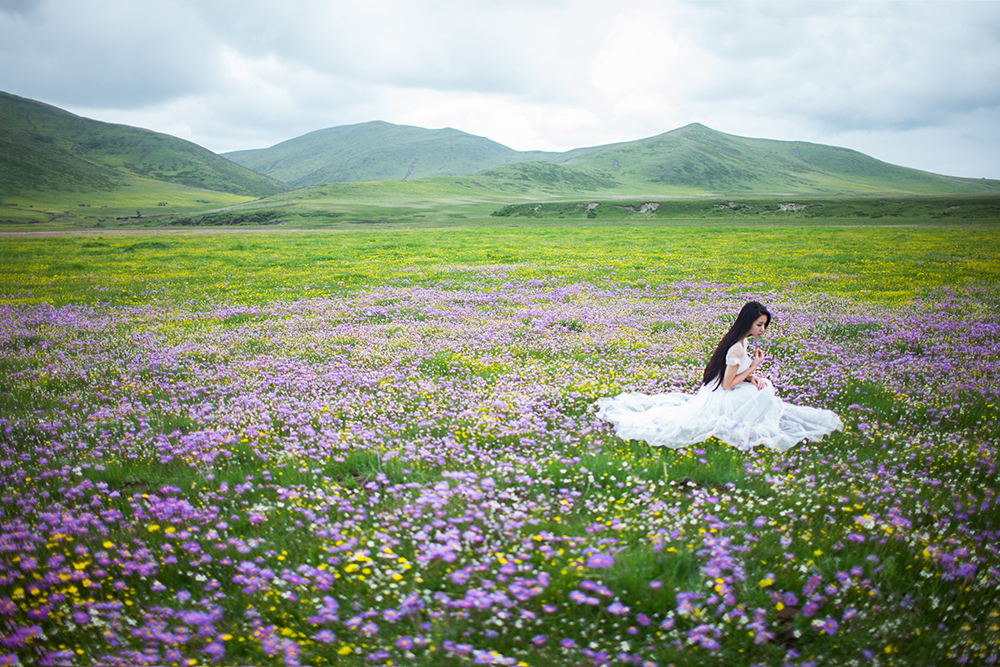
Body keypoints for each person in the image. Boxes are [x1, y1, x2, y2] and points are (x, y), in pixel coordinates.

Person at [595, 301, 843, 452]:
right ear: (748, 323)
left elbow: (734, 375)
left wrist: (751, 377)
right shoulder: (737, 347)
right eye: (760, 325)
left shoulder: (741, 342)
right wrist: (754, 367)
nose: (763, 329)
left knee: (763, 387)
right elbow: (727, 384)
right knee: (764, 393)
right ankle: (756, 419)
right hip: (722, 395)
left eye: (765, 325)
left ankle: (758, 406)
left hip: (722, 388)